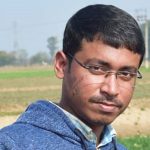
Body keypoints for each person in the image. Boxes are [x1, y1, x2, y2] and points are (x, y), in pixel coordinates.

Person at [0, 4, 145, 150]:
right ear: (62, 65)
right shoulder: (13, 144)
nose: (112, 89)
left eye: (126, 74)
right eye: (97, 68)